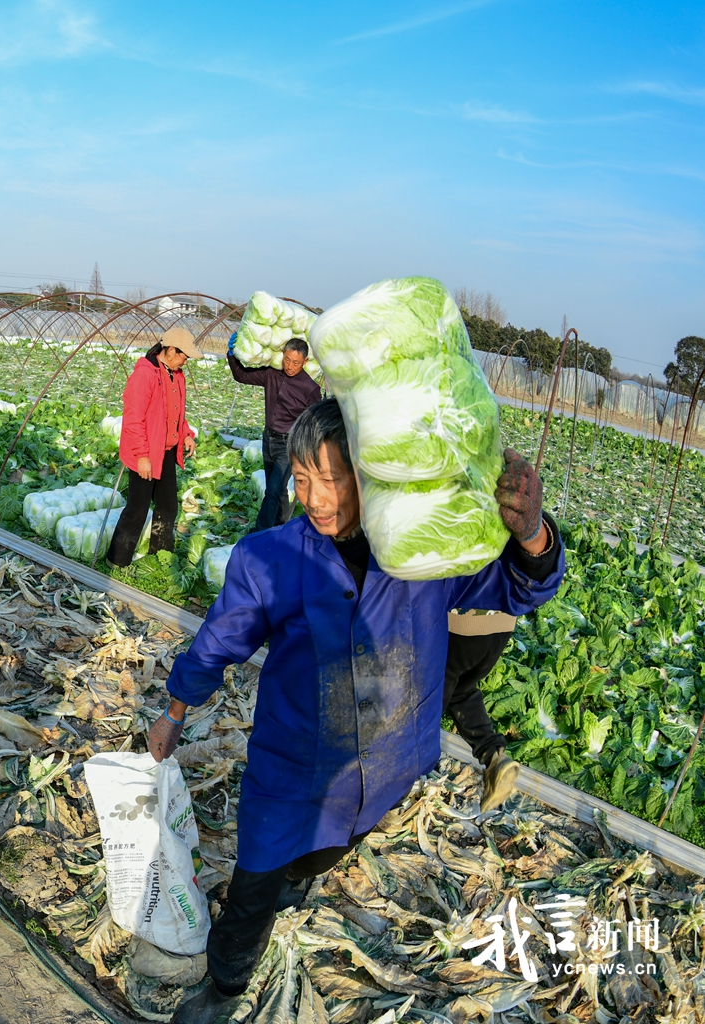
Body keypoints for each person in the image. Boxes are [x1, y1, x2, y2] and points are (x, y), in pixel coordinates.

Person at [148, 399, 565, 1024]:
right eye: (301, 476)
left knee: (328, 849)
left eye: (333, 477)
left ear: (369, 475)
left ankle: (302, 876)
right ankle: (225, 985)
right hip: (291, 767)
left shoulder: (418, 555)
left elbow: (516, 586)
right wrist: (174, 712)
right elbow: (218, 643)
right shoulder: (267, 559)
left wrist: (532, 532)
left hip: (391, 761)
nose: (315, 497)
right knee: (255, 881)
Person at [107, 340, 197, 566]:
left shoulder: (176, 375)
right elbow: (133, 419)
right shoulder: (145, 374)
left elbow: (175, 413)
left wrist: (185, 434)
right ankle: (116, 561)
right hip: (145, 451)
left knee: (168, 507)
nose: (186, 362)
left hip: (166, 450)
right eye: (184, 356)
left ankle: (160, 557)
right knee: (138, 508)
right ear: (172, 350)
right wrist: (142, 456)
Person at [227, 338, 322, 532]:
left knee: (272, 491)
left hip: (288, 446)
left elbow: (315, 424)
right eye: (287, 360)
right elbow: (241, 376)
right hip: (268, 440)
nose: (289, 366)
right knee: (278, 491)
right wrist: (231, 355)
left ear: (305, 362)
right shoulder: (272, 375)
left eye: (295, 362)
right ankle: (281, 529)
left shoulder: (310, 388)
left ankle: (259, 534)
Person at [444, 610, 521, 811]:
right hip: (501, 626)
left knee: (421, 707)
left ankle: (387, 803)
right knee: (460, 690)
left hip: (459, 624)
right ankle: (494, 758)